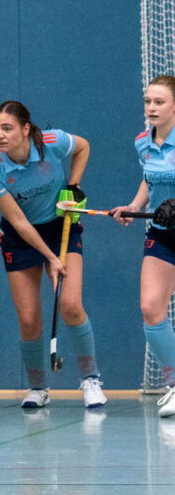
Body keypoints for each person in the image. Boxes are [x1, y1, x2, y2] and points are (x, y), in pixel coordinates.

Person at [0, 100, 106, 409]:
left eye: (7, 128)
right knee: (28, 319)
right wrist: (49, 257)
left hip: (60, 226)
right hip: (20, 238)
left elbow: (83, 147)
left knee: (70, 304)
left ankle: (91, 379)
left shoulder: (52, 141)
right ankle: (38, 387)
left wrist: (74, 184)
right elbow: (19, 221)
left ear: (25, 129)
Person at [111, 75, 175, 417]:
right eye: (148, 101)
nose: (152, 108)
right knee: (152, 308)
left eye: (160, 102)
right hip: (163, 233)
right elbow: (150, 179)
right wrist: (135, 206)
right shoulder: (142, 142)